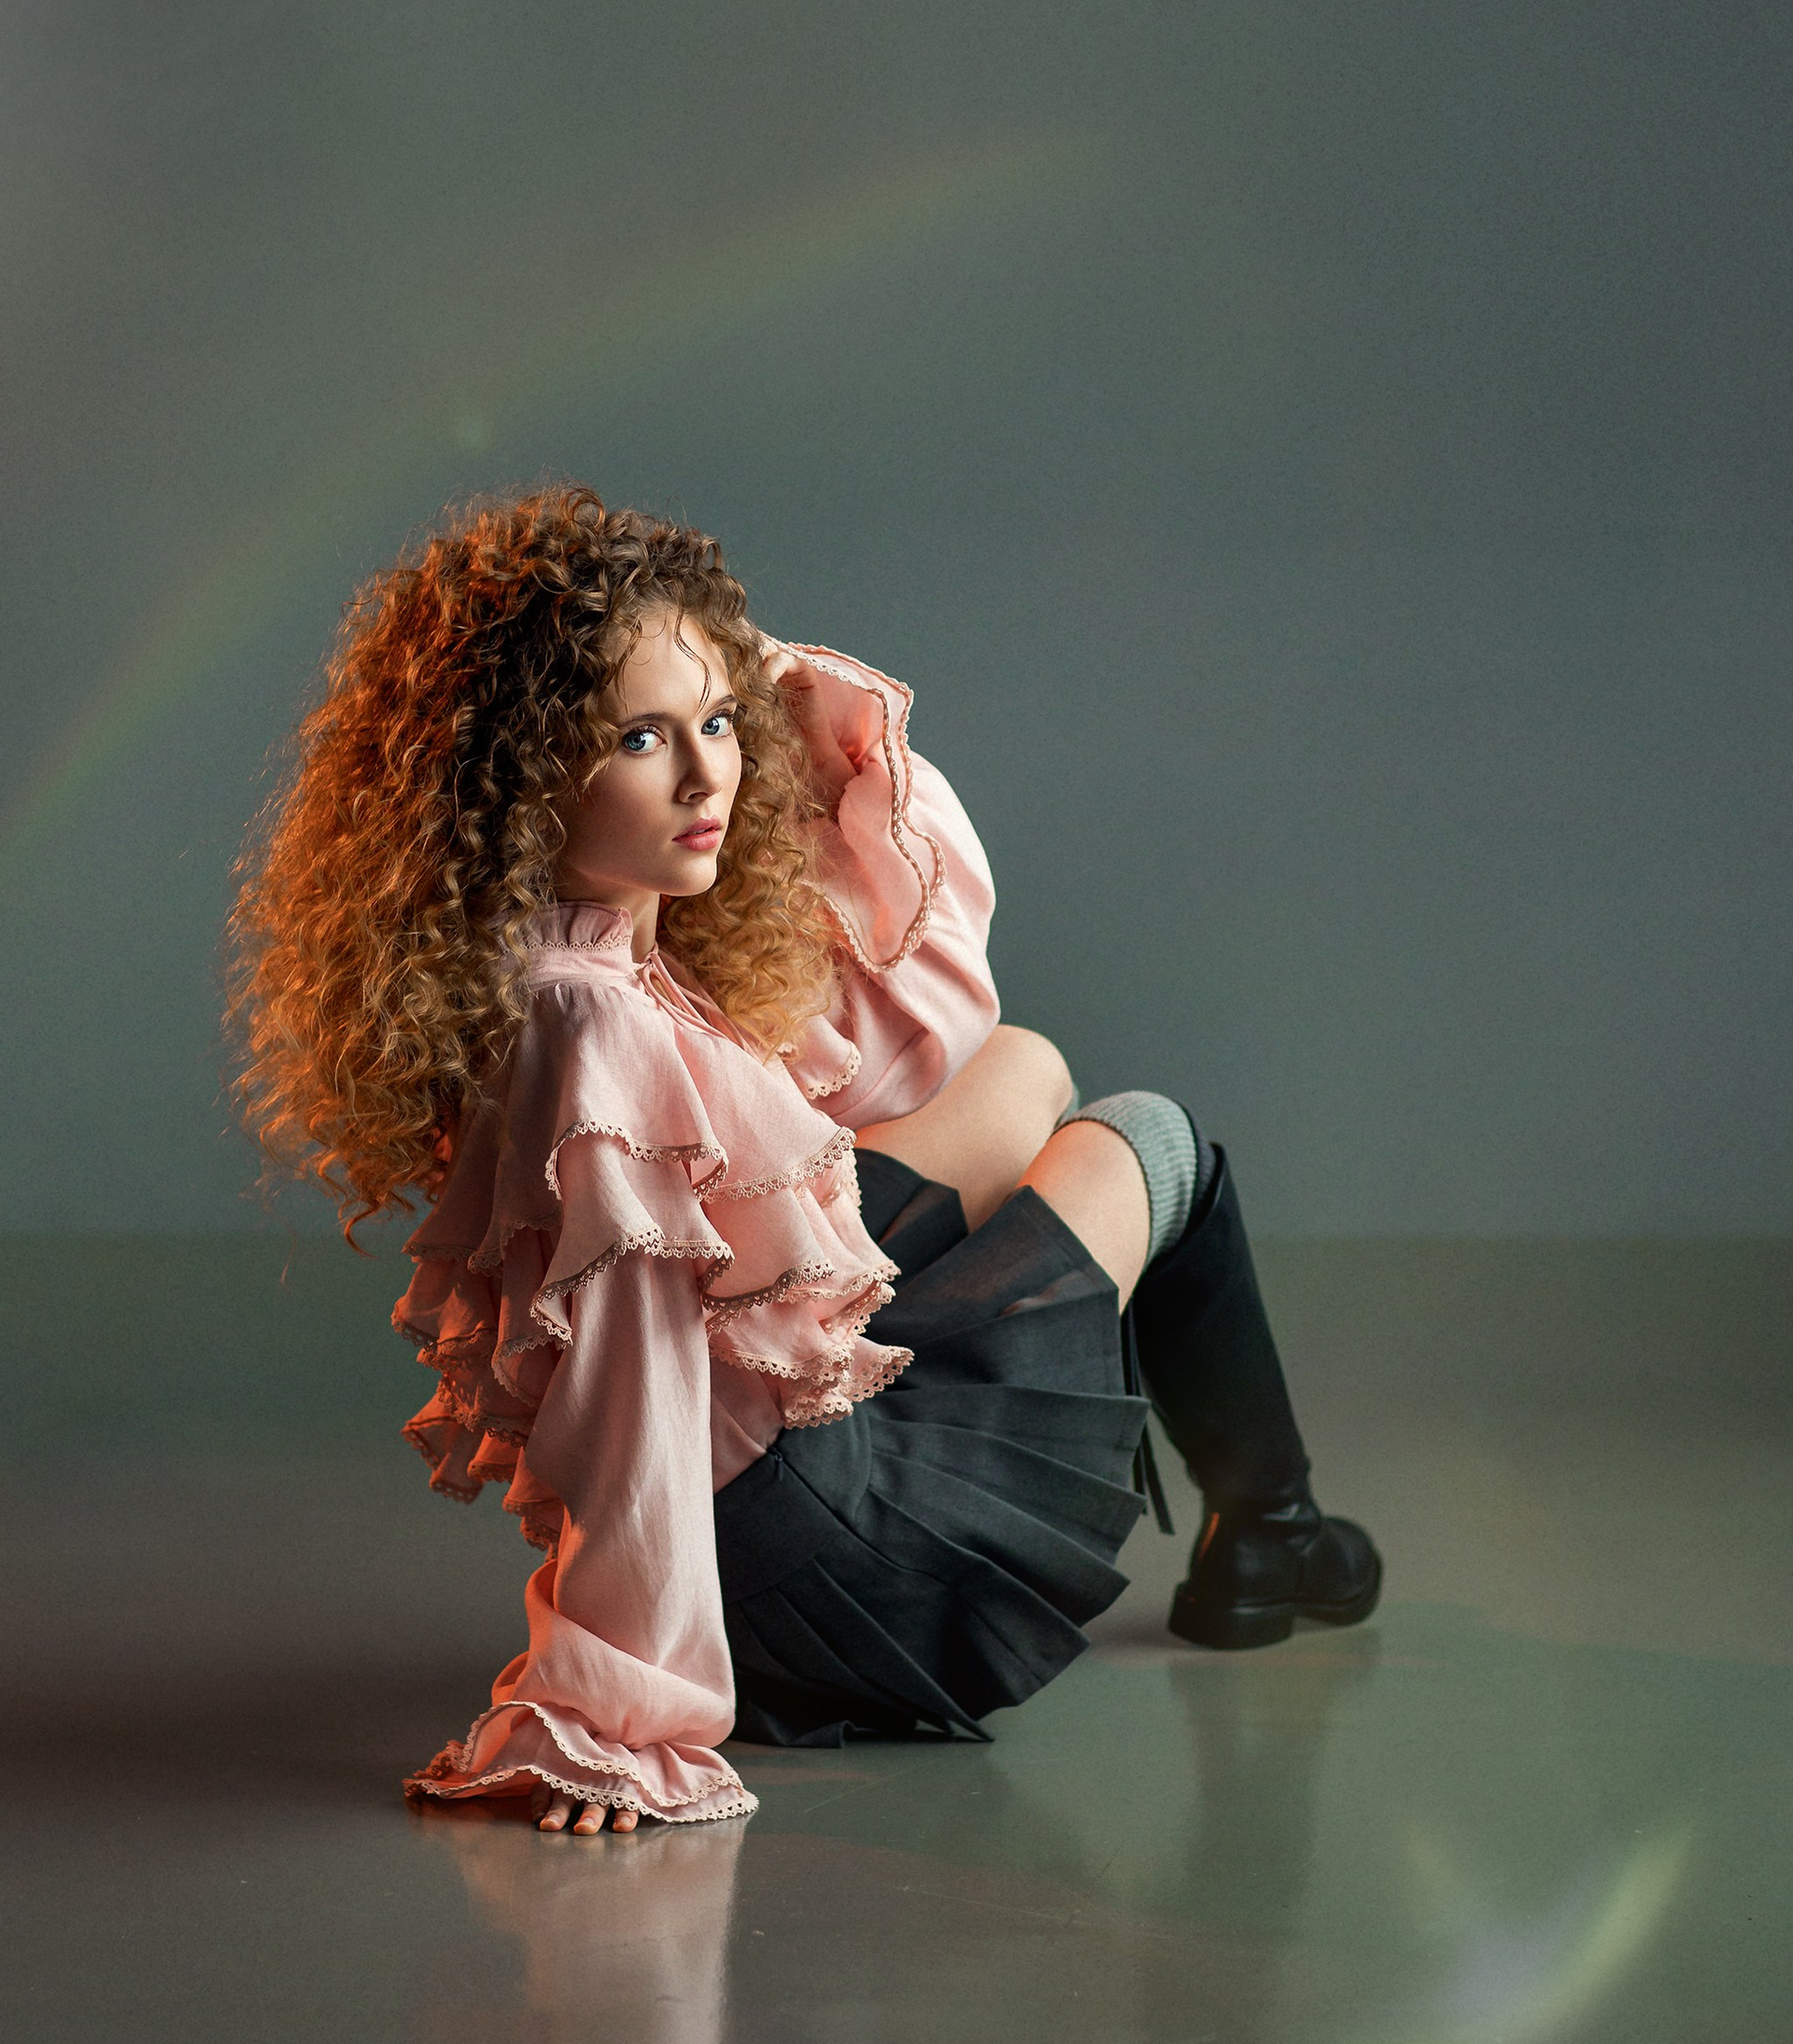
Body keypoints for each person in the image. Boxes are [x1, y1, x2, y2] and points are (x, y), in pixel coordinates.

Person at [228, 485, 1380, 1837]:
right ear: (523, 771)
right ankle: (1273, 1530)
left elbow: (895, 1048)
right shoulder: (593, 1030)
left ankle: (1260, 1531)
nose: (709, 775)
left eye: (718, 723)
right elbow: (633, 1398)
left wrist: (686, 664)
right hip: (846, 1563)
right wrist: (617, 1725)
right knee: (1153, 1137)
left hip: (770, 1499)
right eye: (641, 739)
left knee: (1024, 1068)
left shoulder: (564, 951)